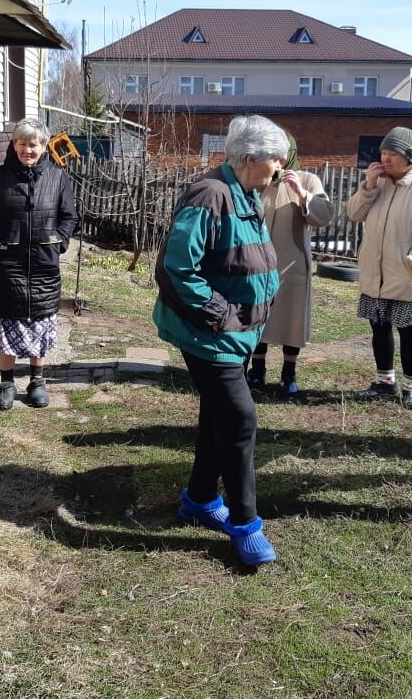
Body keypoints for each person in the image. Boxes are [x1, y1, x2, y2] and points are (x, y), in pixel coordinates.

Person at [154, 114, 287, 566]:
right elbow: (177, 267)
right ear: (251, 158)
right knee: (239, 419)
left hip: (237, 334)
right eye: (276, 158)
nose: (281, 167)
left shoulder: (247, 193)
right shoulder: (211, 194)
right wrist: (221, 314)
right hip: (210, 333)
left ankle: (200, 499)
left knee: (218, 415)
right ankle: (245, 525)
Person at [0, 119, 77, 410]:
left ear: (43, 147)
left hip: (44, 264)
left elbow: (69, 217)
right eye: (22, 143)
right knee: (7, 322)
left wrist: (60, 243)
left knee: (40, 320)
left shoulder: (58, 178)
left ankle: (37, 381)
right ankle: (6, 383)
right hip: (9, 264)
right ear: (13, 145)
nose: (28, 149)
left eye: (34, 144)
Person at [347, 127, 412, 409]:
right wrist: (368, 186)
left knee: (408, 330)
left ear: (409, 157)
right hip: (375, 271)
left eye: (392, 154)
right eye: (383, 153)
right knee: (378, 327)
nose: (385, 159)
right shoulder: (380, 182)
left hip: (405, 272)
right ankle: (384, 381)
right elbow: (354, 213)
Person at [246, 134, 333, 397]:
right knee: (259, 316)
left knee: (292, 321)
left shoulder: (308, 179)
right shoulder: (257, 181)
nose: (279, 159)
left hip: (293, 265)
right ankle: (257, 371)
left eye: (282, 153)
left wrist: (301, 193)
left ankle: (288, 373)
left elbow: (324, 215)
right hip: (258, 265)